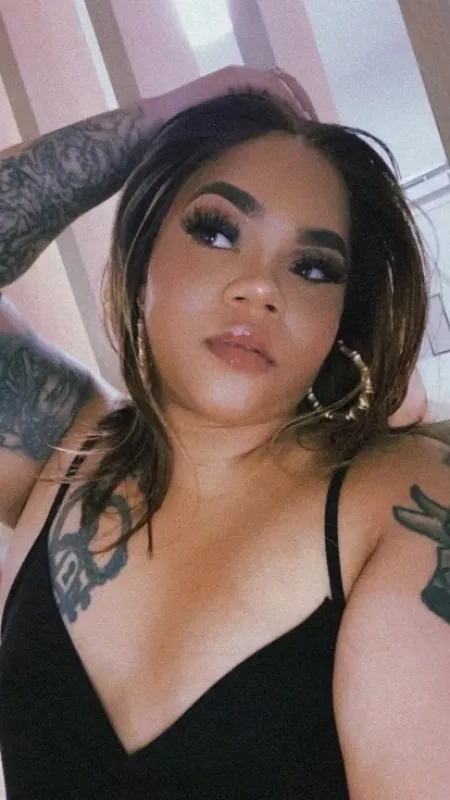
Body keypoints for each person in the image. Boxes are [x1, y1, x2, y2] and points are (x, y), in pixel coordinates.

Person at [0, 65, 449, 799]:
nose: (261, 287)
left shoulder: (402, 507)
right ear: (142, 256)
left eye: (313, 267)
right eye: (216, 230)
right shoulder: (61, 448)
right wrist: (163, 117)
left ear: (340, 322)